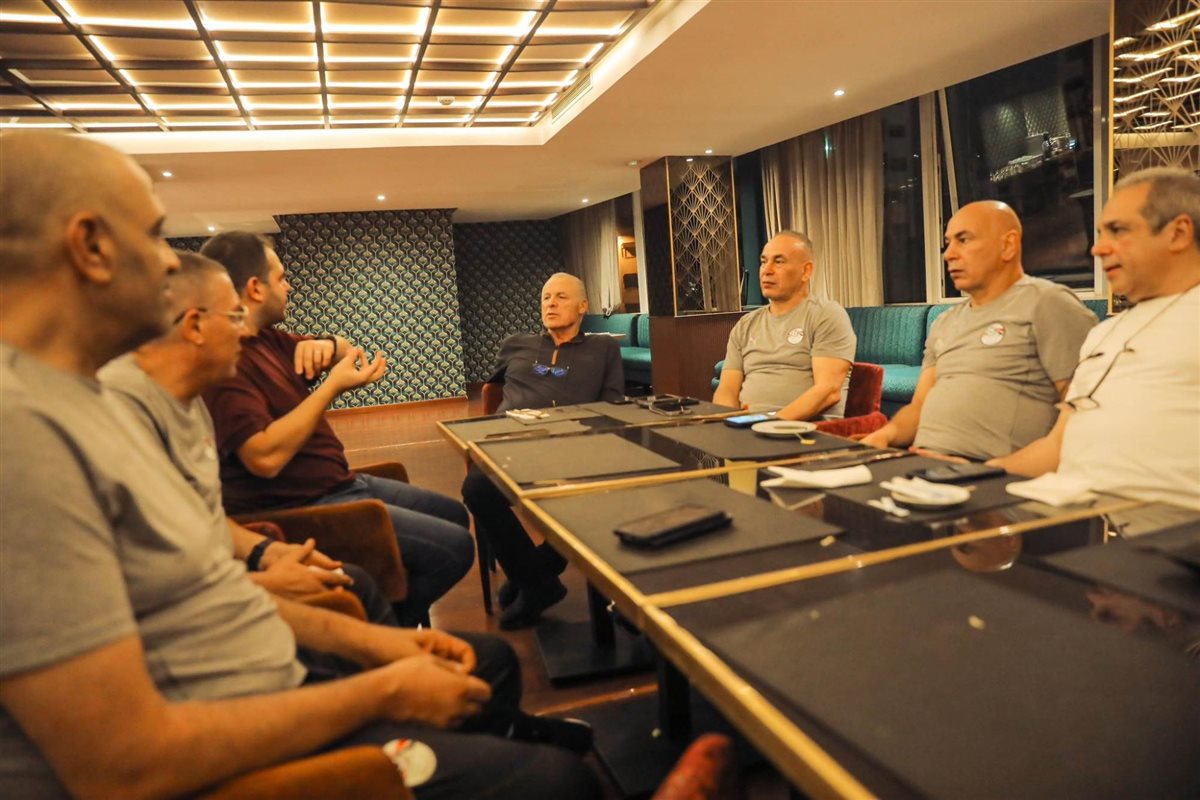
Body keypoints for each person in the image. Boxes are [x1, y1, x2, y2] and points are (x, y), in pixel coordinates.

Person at [0, 131, 599, 799]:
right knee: (561, 783)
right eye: (154, 235)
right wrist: (383, 688)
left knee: (486, 659)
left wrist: (370, 639)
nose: (172, 265)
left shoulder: (89, 398)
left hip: (264, 670)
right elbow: (122, 764)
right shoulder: (23, 435)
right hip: (233, 738)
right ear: (90, 246)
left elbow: (206, 583)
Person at [99, 251, 397, 627]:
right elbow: (142, 586)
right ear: (194, 326)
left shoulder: (191, 398)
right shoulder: (124, 409)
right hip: (213, 616)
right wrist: (261, 580)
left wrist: (265, 552)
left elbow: (205, 518)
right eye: (235, 317)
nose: (245, 332)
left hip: (244, 572)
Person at [200, 231, 474, 626]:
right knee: (454, 548)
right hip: (305, 506)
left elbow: (347, 349)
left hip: (340, 484)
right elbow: (264, 458)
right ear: (256, 289)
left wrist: (328, 345)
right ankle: (388, 630)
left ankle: (389, 617)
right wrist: (331, 387)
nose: (288, 286)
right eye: (281, 278)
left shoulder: (271, 341)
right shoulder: (229, 364)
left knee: (454, 514)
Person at [991, 168, 1200, 510]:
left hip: (1167, 524)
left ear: (1178, 234)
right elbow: (1056, 448)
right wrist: (967, 478)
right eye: (1100, 233)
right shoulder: (1104, 333)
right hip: (1072, 513)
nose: (1097, 248)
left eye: (1118, 230)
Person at [862, 201, 1097, 460]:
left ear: (1008, 246)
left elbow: (1086, 412)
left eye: (963, 240)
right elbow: (919, 406)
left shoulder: (1047, 303)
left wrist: (991, 469)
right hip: (923, 462)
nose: (948, 254)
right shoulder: (945, 322)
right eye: (948, 242)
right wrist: (886, 435)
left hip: (991, 471)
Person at [462, 272, 624, 629]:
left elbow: (613, 406)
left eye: (561, 297)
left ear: (583, 306)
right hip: (510, 443)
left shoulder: (603, 349)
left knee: (606, 493)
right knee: (476, 487)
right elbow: (493, 392)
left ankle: (537, 571)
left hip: (571, 447)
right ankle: (538, 582)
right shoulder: (516, 344)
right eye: (546, 297)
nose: (550, 303)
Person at [713, 231, 856, 419]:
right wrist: (728, 422)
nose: (767, 270)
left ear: (806, 271)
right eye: (764, 262)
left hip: (806, 429)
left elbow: (828, 392)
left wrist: (771, 424)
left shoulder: (826, 315)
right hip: (749, 428)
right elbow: (726, 389)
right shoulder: (746, 325)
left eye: (778, 262)